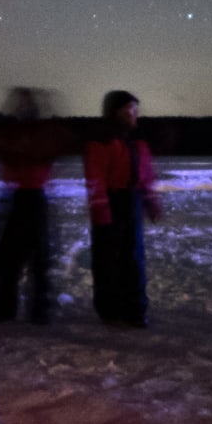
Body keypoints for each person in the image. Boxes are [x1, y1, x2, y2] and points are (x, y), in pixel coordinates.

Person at [0, 87, 66, 324]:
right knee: (12, 256)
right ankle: (9, 308)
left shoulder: (38, 134)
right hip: (19, 197)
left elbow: (46, 152)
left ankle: (34, 309)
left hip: (30, 197)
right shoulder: (17, 133)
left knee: (34, 256)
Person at [85, 90, 161, 326]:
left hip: (132, 203)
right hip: (111, 203)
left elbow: (146, 176)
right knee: (109, 259)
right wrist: (101, 210)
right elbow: (95, 178)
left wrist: (151, 201)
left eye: (135, 109)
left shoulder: (138, 145)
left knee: (134, 257)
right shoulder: (101, 144)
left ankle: (136, 310)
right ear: (115, 112)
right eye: (129, 109)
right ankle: (110, 310)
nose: (133, 114)